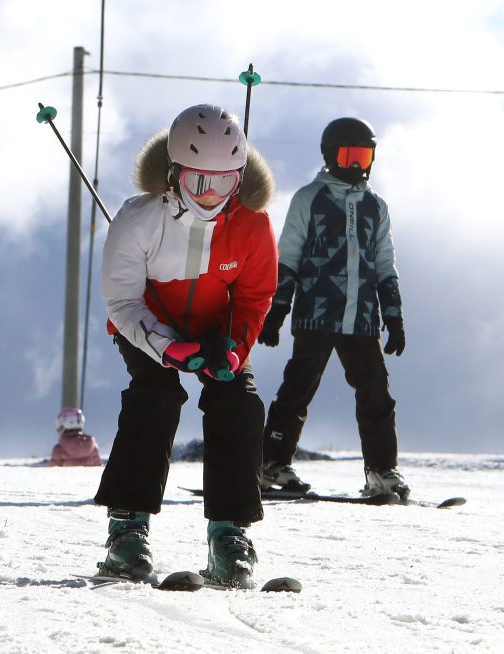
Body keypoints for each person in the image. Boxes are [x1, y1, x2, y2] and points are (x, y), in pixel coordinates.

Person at [93, 104, 277, 587]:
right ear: (173, 175)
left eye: (225, 183)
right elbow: (122, 302)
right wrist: (166, 347)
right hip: (148, 323)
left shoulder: (253, 225)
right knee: (155, 395)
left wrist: (235, 349)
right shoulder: (138, 220)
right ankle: (127, 530)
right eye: (199, 183)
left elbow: (256, 296)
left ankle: (229, 535)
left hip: (219, 328)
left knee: (237, 401)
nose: (212, 197)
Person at [256, 117, 409, 500]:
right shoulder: (310, 198)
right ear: (329, 156)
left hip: (361, 318)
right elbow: (288, 255)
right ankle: (271, 463)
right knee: (298, 389)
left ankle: (382, 469)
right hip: (316, 313)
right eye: (349, 156)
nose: (357, 165)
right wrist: (277, 311)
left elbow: (385, 262)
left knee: (376, 393)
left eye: (364, 156)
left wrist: (393, 315)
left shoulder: (376, 206)